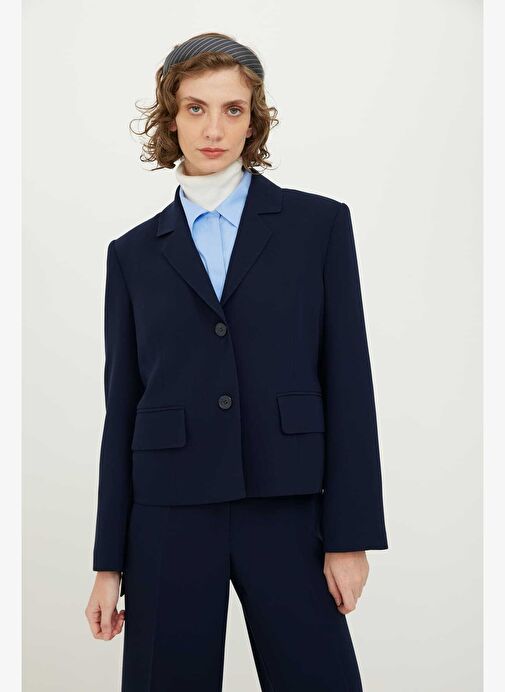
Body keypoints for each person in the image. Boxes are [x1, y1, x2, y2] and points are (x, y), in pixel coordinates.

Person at [84, 31, 389, 692]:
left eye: (232, 109)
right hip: (168, 510)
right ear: (171, 118)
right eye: (195, 108)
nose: (213, 128)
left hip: (289, 504)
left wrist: (349, 536)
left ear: (254, 120)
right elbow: (122, 407)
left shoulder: (317, 227)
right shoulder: (132, 255)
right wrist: (109, 562)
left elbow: (348, 382)